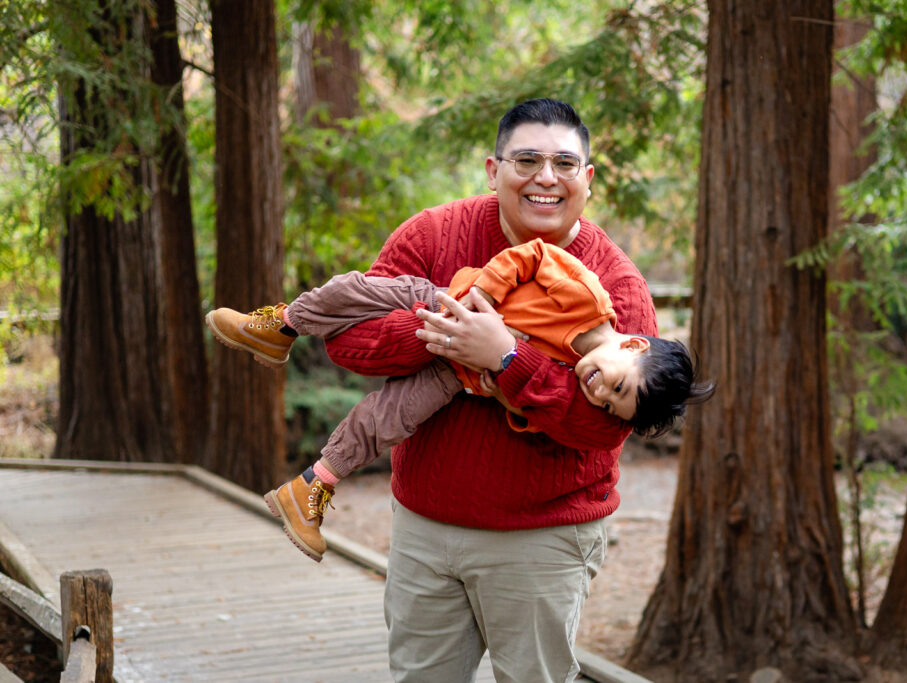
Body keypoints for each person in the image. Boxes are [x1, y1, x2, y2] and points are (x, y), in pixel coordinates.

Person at [221, 98, 698, 682]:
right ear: (494, 170)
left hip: (541, 541)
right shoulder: (435, 232)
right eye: (527, 159)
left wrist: (505, 358)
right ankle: (280, 328)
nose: (546, 178)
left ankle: (313, 472)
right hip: (426, 528)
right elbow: (350, 346)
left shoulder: (617, 287)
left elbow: (600, 426)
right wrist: (457, 334)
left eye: (564, 164)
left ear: (587, 179)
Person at [206, 237, 711, 564]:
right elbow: (533, 254)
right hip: (443, 297)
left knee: (387, 418)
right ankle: (280, 325)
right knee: (356, 290)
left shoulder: (568, 380)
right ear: (633, 343)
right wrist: (485, 298)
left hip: (456, 375)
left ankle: (311, 488)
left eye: (609, 404)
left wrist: (505, 392)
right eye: (617, 386)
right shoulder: (587, 297)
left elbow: (533, 414)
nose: (598, 393)